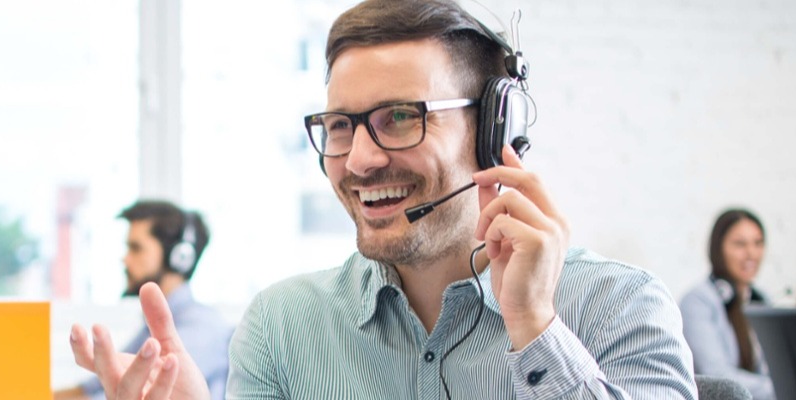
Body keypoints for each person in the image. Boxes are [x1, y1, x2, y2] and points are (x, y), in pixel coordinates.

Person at [68, 0, 695, 398]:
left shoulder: (619, 307)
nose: (361, 159)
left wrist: (535, 328)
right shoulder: (283, 327)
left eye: (400, 117)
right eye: (341, 125)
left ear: (491, 131)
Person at [55, 200, 233, 400]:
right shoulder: (151, 328)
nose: (125, 259)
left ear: (179, 258)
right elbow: (91, 387)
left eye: (136, 248)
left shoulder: (201, 329)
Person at [680, 209, 776, 400]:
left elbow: (771, 368)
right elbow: (719, 377)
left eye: (758, 243)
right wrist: (779, 387)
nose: (751, 253)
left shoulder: (760, 300)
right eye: (740, 244)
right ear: (718, 249)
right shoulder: (697, 302)